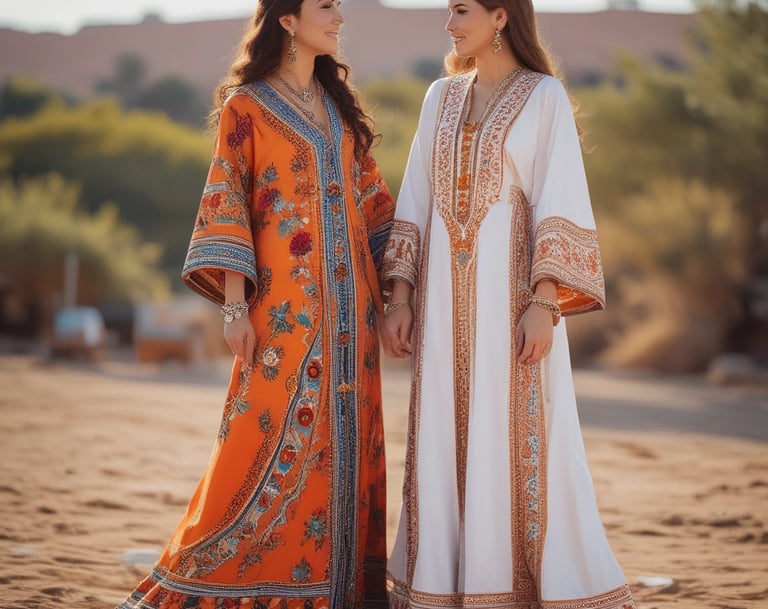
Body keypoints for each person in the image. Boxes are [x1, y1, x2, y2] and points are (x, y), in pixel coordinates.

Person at [117, 1, 395, 608]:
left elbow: (375, 208)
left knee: (350, 442)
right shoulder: (247, 107)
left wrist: (399, 294)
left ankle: (343, 588)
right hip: (285, 316)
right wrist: (235, 309)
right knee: (255, 440)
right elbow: (228, 201)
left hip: (355, 321)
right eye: (326, 6)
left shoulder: (339, 110)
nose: (339, 17)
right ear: (288, 20)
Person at [380, 1, 636, 608]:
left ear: (500, 16)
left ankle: (516, 587)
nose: (449, 23)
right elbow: (415, 199)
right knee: (441, 432)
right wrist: (401, 295)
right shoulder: (438, 97)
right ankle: (442, 587)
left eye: (461, 9)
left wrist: (545, 300)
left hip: (513, 304)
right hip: (439, 309)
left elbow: (560, 192)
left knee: (516, 433)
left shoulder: (544, 96)